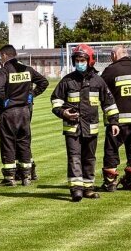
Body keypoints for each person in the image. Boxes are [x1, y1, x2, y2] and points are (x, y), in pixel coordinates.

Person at [50, 44, 119, 202]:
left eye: (82, 60)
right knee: (74, 158)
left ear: (89, 61)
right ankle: (76, 189)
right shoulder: (67, 81)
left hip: (91, 128)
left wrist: (114, 122)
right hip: (72, 128)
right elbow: (55, 101)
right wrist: (63, 113)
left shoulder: (98, 81)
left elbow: (109, 103)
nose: (79, 63)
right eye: (77, 60)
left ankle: (88, 188)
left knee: (89, 158)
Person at [0, 44, 49, 186]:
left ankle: (9, 178)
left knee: (8, 143)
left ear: (4, 55)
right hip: (25, 111)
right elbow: (44, 82)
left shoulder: (4, 71)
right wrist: (31, 95)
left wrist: (4, 103)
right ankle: (26, 176)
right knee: (24, 143)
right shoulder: (27, 70)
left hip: (9, 112)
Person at [100, 45, 131, 191]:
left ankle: (110, 182)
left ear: (114, 55)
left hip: (117, 120)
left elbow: (101, 89)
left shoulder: (111, 70)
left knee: (111, 150)